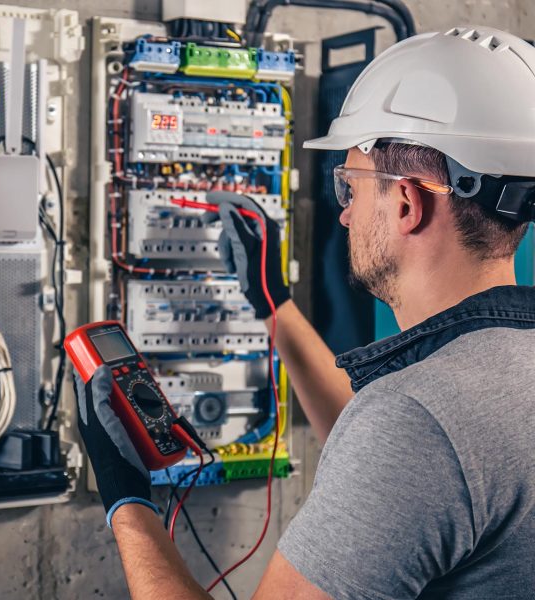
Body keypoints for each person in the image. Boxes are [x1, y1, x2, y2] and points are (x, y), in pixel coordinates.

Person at [74, 25, 535, 599]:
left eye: (351, 187)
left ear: (406, 202)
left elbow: (414, 444)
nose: (344, 215)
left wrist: (126, 498)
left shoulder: (418, 422)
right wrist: (274, 305)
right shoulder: (490, 383)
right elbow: (414, 471)